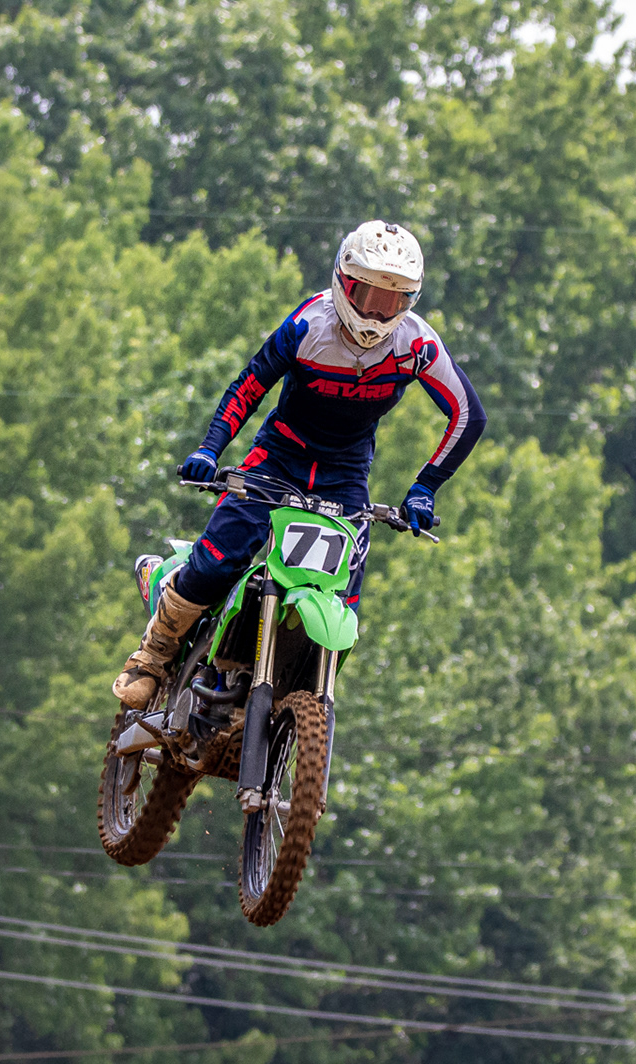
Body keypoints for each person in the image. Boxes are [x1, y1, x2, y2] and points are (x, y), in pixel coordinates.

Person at [113, 219, 487, 709]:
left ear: (410, 301)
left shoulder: (417, 345)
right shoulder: (309, 325)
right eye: (367, 295)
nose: (376, 313)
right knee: (217, 561)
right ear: (343, 283)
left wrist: (424, 488)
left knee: (343, 597)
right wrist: (209, 450)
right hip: (277, 460)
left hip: (346, 476)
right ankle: (152, 655)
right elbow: (249, 386)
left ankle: (299, 690)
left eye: (393, 300)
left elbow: (469, 414)